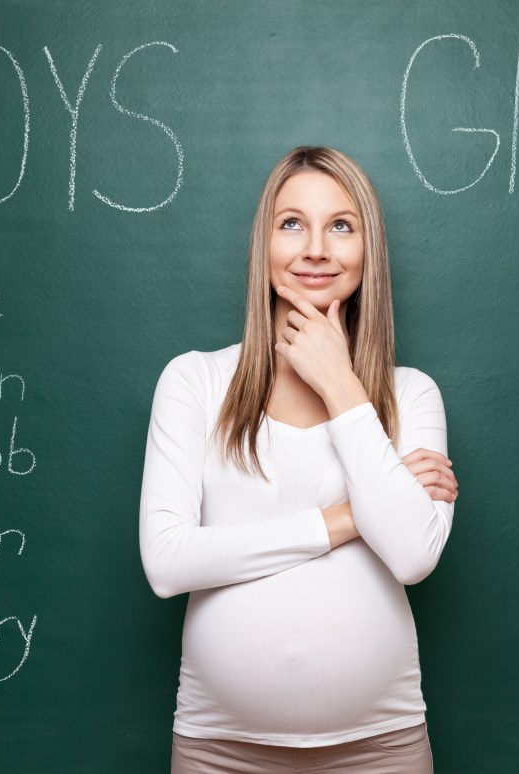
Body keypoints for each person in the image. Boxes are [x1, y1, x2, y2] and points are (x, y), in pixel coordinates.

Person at [139, 146, 457, 773]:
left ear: (368, 252)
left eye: (342, 225)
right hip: (218, 752)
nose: (316, 248)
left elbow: (415, 556)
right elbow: (168, 562)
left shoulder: (411, 394)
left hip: (381, 751)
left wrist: (341, 386)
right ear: (264, 245)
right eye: (292, 224)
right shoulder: (194, 381)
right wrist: (347, 518)